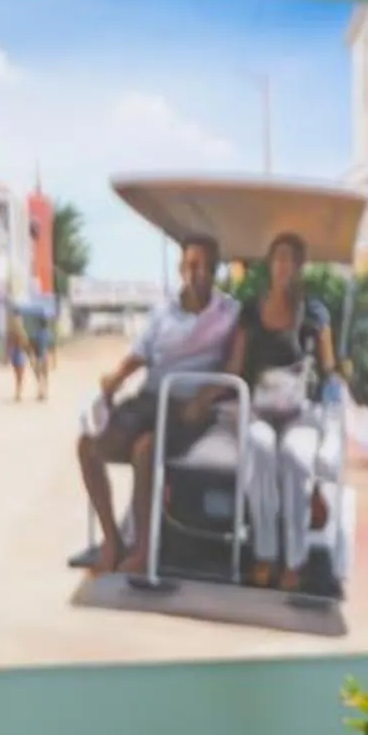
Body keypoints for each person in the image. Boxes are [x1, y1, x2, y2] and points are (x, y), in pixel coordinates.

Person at [74, 236, 238, 573]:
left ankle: (145, 551)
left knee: (145, 450)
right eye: (193, 265)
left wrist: (206, 397)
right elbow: (139, 354)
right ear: (181, 270)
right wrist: (115, 380)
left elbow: (234, 367)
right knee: (88, 445)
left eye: (207, 266)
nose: (199, 273)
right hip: (150, 398)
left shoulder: (229, 312)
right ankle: (113, 541)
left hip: (188, 404)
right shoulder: (163, 311)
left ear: (216, 271)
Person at [229, 233, 341, 590]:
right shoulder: (251, 310)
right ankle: (265, 554)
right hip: (260, 409)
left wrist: (334, 380)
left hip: (299, 411)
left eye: (291, 259)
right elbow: (235, 364)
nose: (283, 266)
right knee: (259, 447)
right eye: (278, 258)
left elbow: (328, 366)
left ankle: (294, 560)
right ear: (270, 265)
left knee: (295, 455)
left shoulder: (314, 311)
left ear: (299, 267)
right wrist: (221, 398)